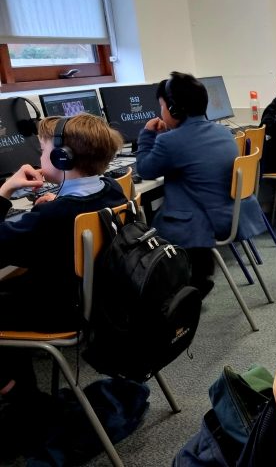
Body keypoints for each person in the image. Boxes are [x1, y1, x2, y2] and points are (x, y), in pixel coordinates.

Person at [0, 114, 126, 456]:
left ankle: (17, 394)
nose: (39, 157)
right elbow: (71, 214)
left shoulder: (54, 218)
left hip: (61, 312)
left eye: (42, 151)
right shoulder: (112, 189)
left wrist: (5, 191)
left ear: (62, 157)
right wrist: (56, 202)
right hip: (100, 302)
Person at [136, 71, 264, 296]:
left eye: (162, 107)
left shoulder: (171, 141)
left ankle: (177, 288)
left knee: (144, 228)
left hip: (198, 225)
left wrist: (147, 135)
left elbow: (145, 169)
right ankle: (198, 277)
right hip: (230, 216)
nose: (161, 112)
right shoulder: (224, 133)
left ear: (174, 109)